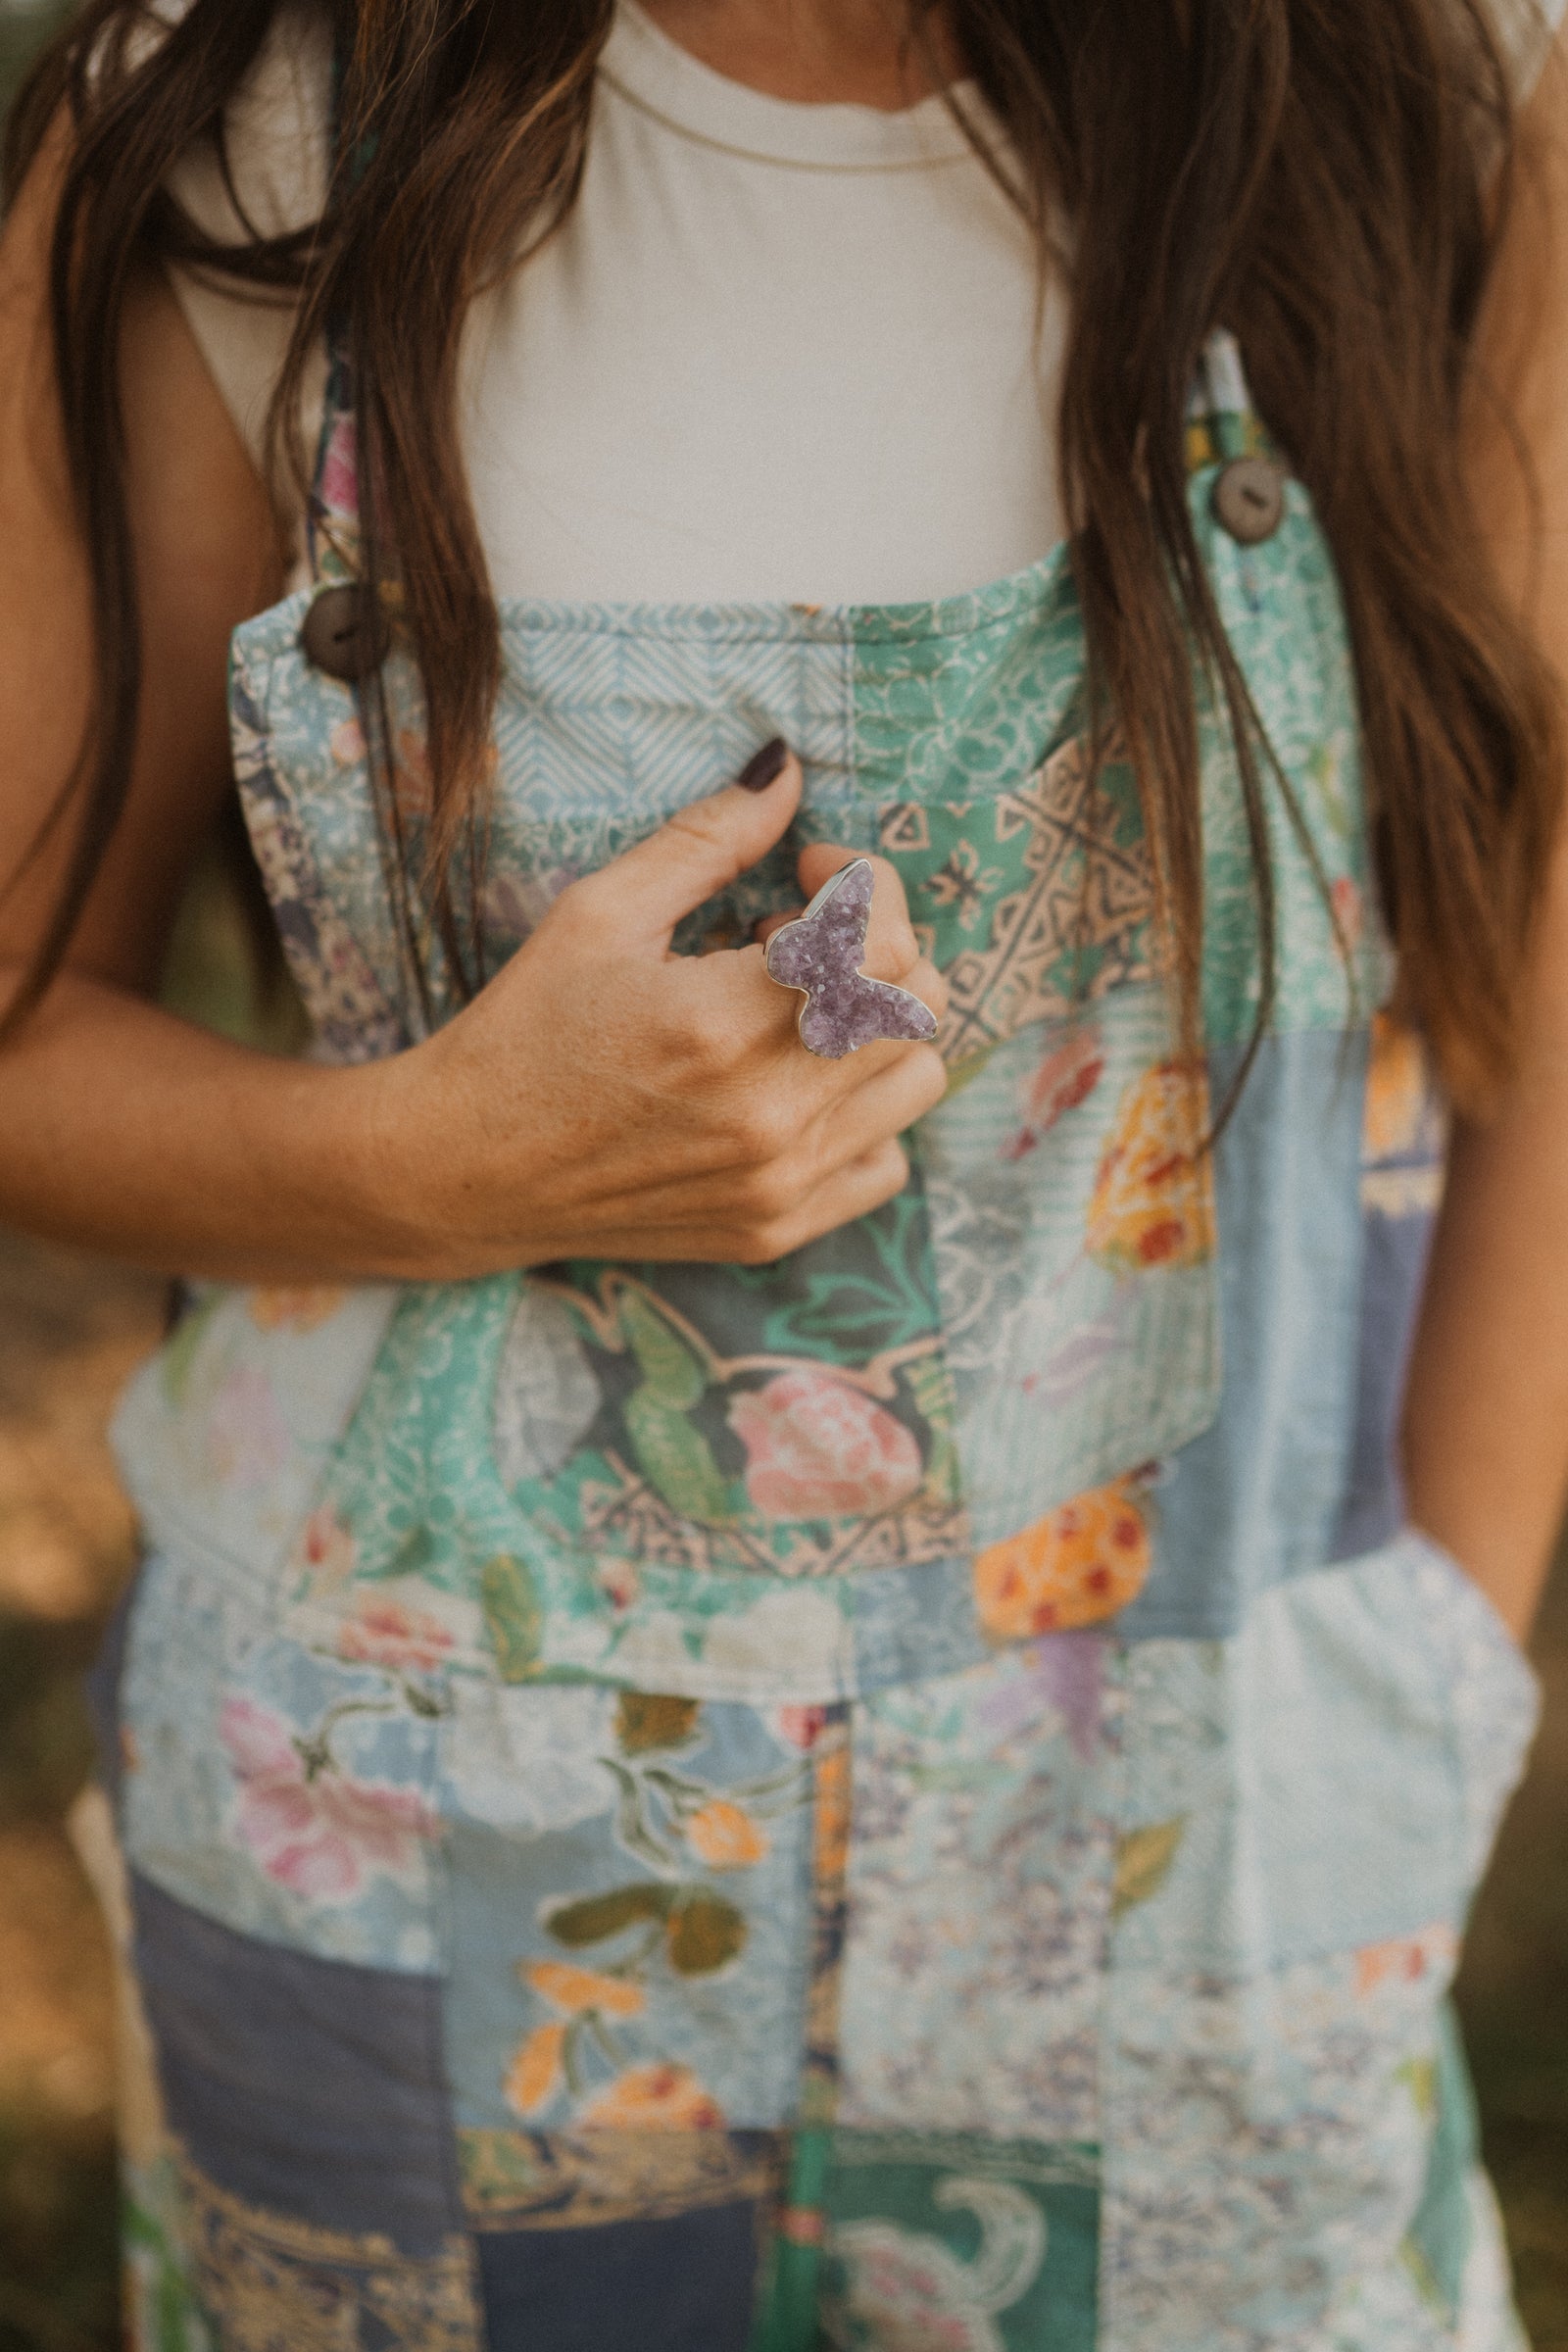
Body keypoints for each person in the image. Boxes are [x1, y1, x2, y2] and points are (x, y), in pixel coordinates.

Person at [3, 0, 1568, 2343]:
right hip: (415, 1860)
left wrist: (1436, 1632)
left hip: (1214, 1845)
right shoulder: (250, 126)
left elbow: (1532, 916)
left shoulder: (1439, 77)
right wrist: (439, 1161)